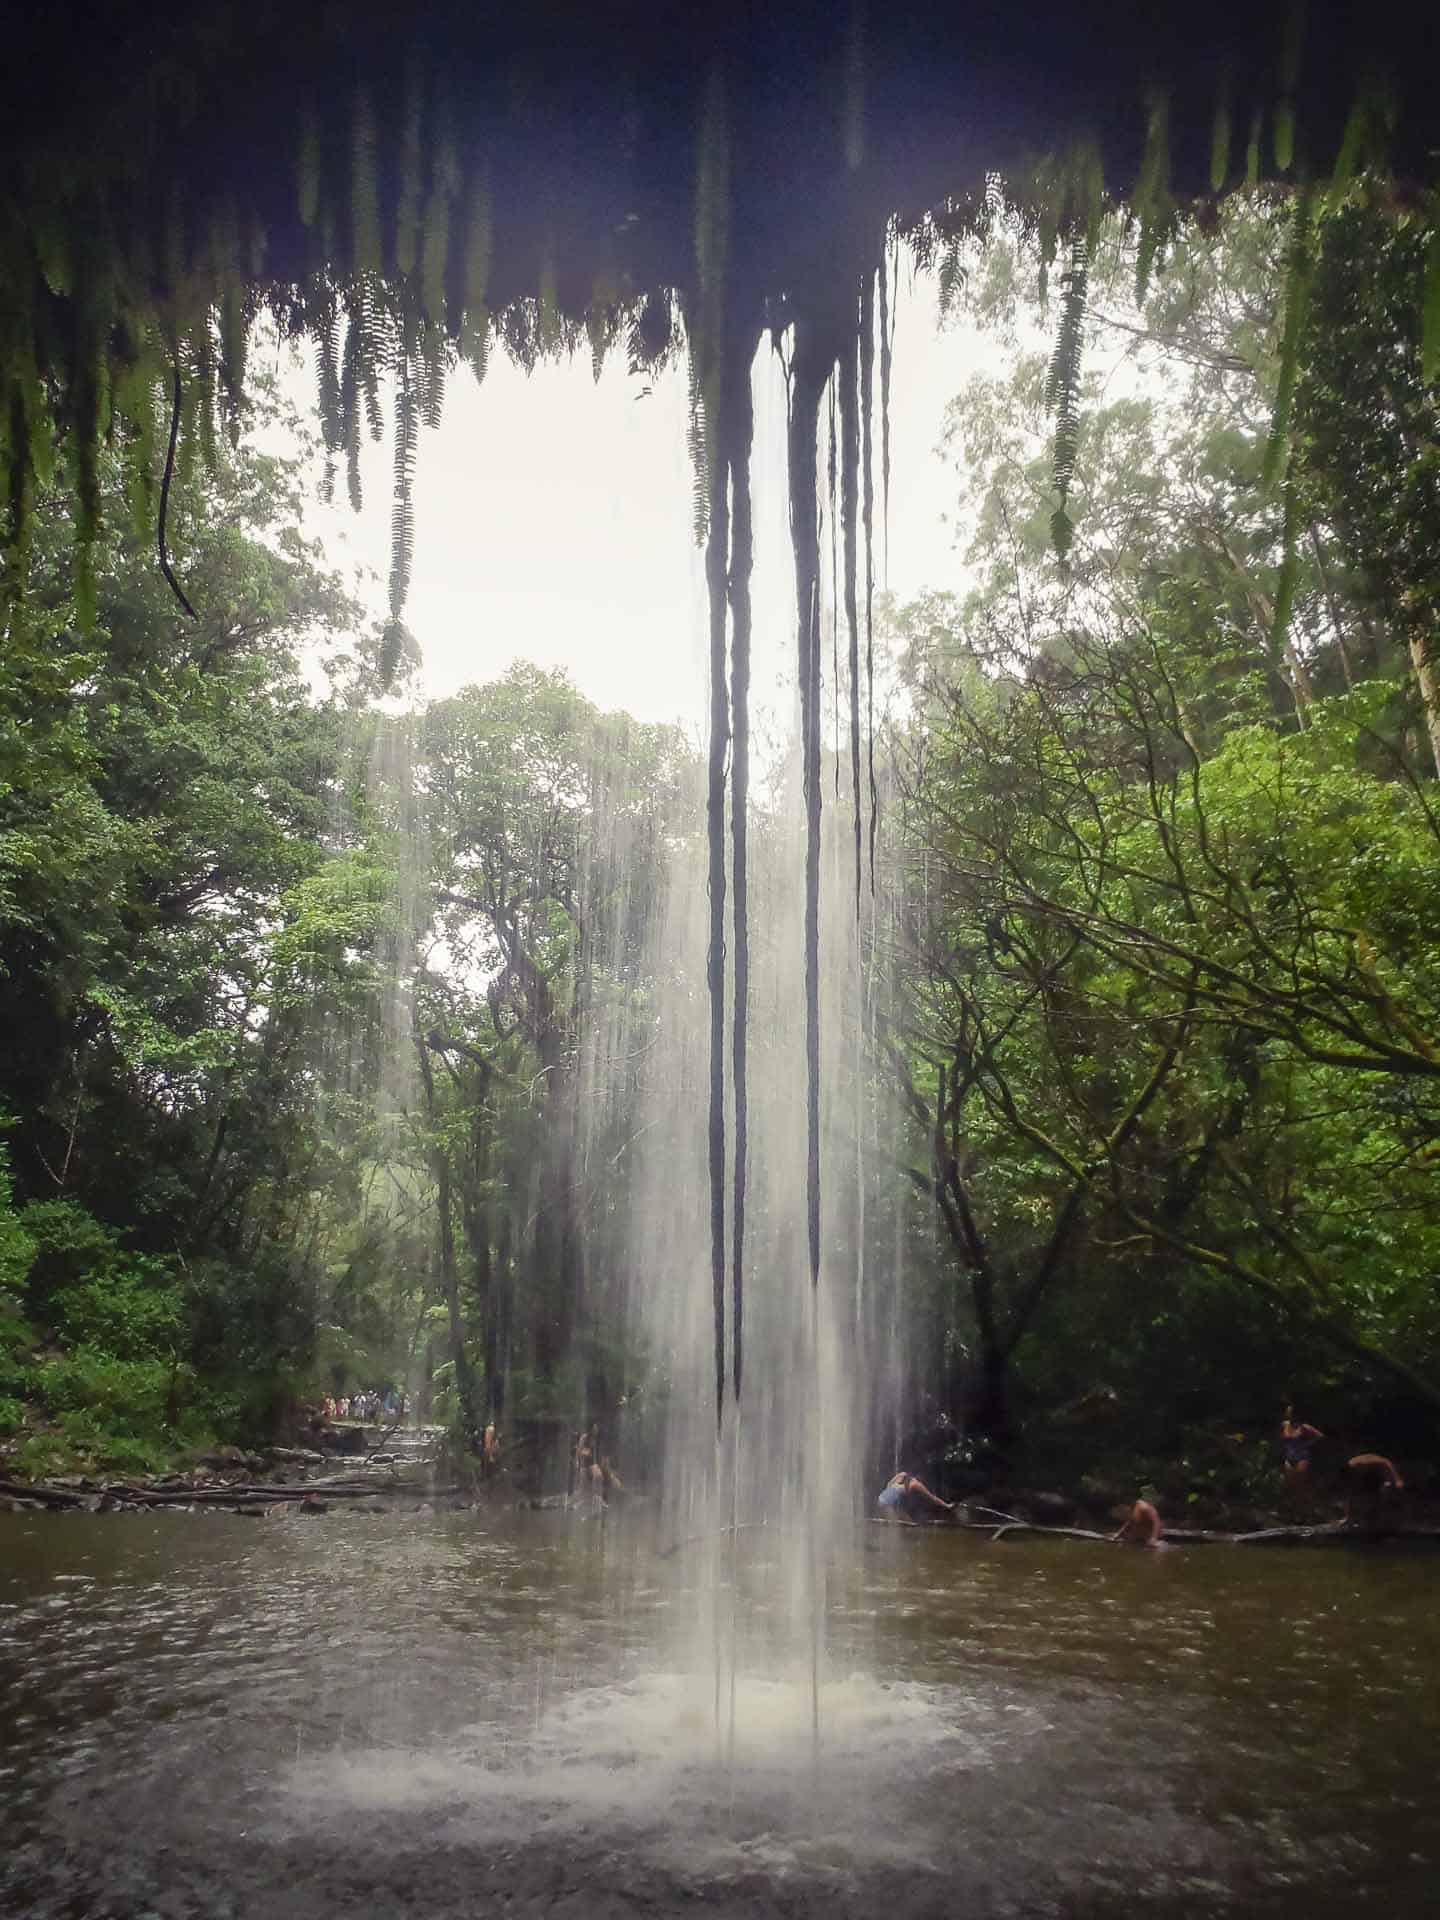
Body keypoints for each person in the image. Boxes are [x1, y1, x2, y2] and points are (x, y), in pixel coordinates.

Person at [1344, 1453, 1403, 1530]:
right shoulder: (1355, 1466)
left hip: (1376, 1475)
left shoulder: (1382, 1465)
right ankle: (1351, 1518)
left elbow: (1397, 1483)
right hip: (1361, 1473)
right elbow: (1349, 1492)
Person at [877, 1470, 956, 1520]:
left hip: (881, 1499)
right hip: (887, 1504)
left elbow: (888, 1485)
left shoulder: (902, 1474)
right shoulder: (916, 1484)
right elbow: (932, 1498)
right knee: (895, 1527)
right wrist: (946, 1505)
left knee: (906, 1520)